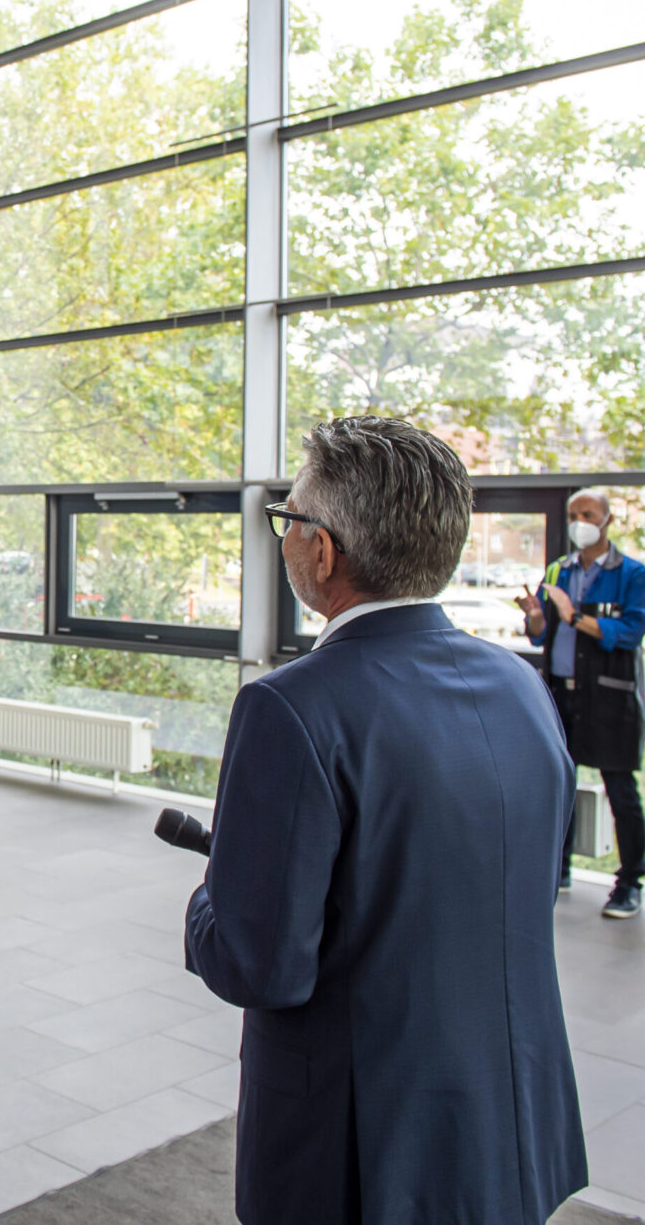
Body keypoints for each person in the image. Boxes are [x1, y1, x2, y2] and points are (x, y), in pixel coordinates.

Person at [185, 416, 586, 1225]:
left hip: (360, 1149)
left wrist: (211, 898)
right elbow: (523, 880)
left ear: (325, 551)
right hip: (505, 1121)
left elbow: (259, 966)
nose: (286, 537)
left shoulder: (290, 707)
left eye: (289, 519)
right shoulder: (520, 684)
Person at [518, 488, 645, 915]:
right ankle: (559, 869)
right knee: (560, 782)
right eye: (574, 515)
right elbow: (540, 635)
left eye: (587, 514)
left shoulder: (632, 574)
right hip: (561, 695)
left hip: (609, 696)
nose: (579, 523)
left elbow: (629, 633)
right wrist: (537, 615)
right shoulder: (559, 570)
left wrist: (573, 615)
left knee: (620, 790)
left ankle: (629, 883)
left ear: (608, 520)